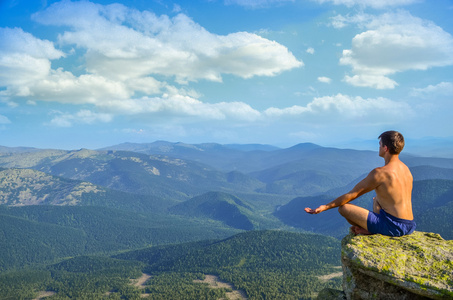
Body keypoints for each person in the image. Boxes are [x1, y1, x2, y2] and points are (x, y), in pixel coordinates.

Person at [304, 131, 416, 236]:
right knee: (376, 198)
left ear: (385, 148)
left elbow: (352, 195)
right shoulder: (406, 169)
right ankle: (371, 228)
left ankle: (370, 230)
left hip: (393, 227)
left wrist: (324, 207)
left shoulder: (380, 173)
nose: (379, 147)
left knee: (343, 208)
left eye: (380, 144)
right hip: (409, 225)